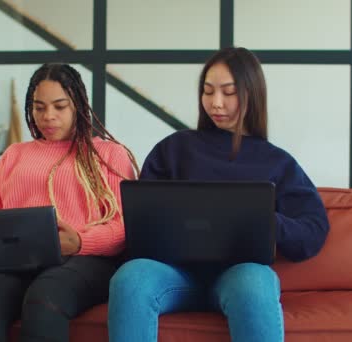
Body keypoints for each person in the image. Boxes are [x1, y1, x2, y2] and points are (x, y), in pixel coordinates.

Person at [108, 47, 330, 342]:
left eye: (228, 92)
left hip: (239, 276)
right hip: (172, 275)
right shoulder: (174, 149)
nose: (216, 103)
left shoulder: (277, 162)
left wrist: (267, 220)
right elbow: (140, 222)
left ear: (252, 94)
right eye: (208, 91)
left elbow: (313, 230)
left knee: (254, 281)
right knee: (131, 278)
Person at [0, 63, 138, 342]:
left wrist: (80, 241)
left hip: (84, 260)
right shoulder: (15, 153)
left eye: (59, 106)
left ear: (78, 106)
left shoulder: (108, 154)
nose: (48, 116)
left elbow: (125, 226)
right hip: (12, 261)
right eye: (39, 107)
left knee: (43, 300)